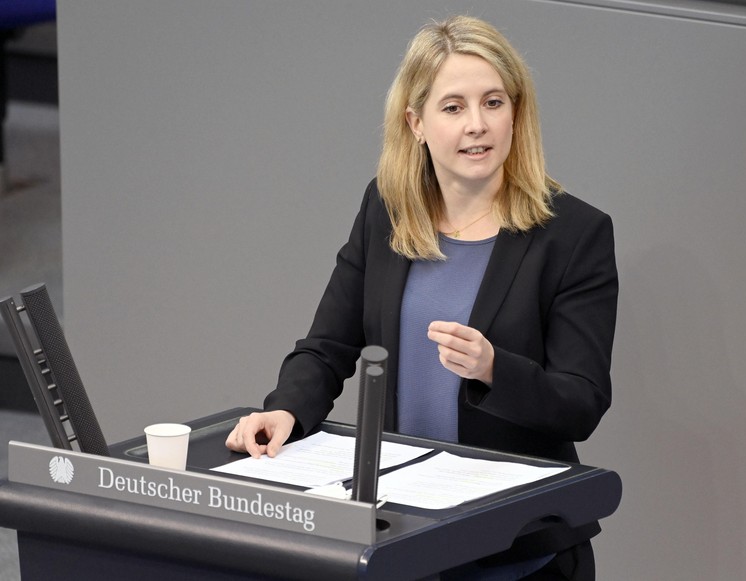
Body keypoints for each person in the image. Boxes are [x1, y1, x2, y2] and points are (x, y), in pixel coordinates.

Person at [226, 15, 617, 580]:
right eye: (454, 107)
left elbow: (582, 403)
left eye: (493, 103)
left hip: (519, 551)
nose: (477, 125)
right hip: (404, 541)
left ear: (517, 111)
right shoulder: (386, 209)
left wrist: (492, 368)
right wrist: (287, 408)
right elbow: (327, 345)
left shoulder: (573, 234)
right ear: (416, 121)